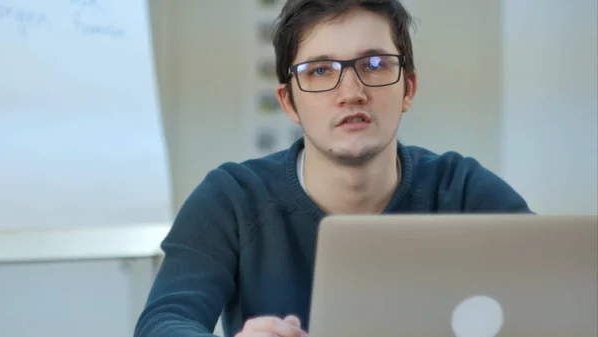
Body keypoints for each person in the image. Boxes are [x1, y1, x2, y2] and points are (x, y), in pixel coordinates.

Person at [134, 0, 532, 336]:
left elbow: (560, 294)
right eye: (320, 71)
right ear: (289, 102)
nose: (352, 93)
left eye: (374, 64)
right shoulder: (232, 198)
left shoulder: (462, 190)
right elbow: (165, 320)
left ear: (407, 87)